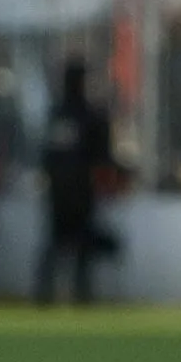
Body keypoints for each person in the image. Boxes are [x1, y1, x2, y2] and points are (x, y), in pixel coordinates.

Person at [36, 61, 123, 304]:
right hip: (82, 191)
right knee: (80, 245)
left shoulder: (56, 115)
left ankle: (44, 294)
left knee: (56, 243)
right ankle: (81, 294)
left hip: (58, 191)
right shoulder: (90, 116)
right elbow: (103, 157)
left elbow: (47, 156)